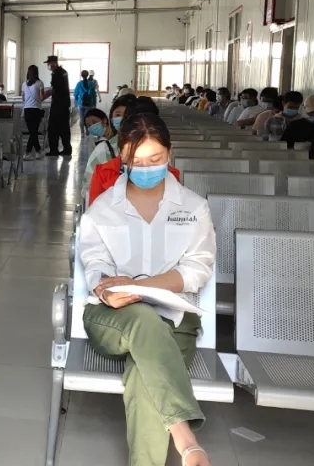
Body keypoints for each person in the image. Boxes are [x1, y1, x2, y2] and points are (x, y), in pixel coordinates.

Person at [78, 111, 215, 466]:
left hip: (175, 319)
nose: (146, 168)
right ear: (122, 158)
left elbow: (197, 268)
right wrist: (106, 291)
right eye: (135, 161)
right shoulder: (102, 210)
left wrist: (142, 285)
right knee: (142, 320)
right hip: (112, 318)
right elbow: (94, 263)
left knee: (144, 375)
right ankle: (186, 439)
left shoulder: (193, 208)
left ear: (169, 152)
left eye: (154, 159)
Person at [82, 107, 119, 190]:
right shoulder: (94, 140)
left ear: (104, 121)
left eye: (94, 122)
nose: (92, 126)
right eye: (88, 125)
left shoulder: (117, 137)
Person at [45, 55, 73, 156]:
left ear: (54, 63)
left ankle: (54, 150)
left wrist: (44, 95)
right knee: (64, 128)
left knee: (52, 128)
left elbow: (54, 89)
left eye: (49, 63)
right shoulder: (64, 72)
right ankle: (67, 149)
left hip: (58, 105)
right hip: (64, 104)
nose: (48, 65)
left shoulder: (57, 73)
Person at [22, 65, 46, 160]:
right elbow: (42, 97)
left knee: (32, 132)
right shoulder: (40, 83)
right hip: (36, 110)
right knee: (34, 132)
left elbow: (23, 98)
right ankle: (28, 152)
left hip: (27, 110)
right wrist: (49, 93)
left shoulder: (24, 84)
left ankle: (37, 152)